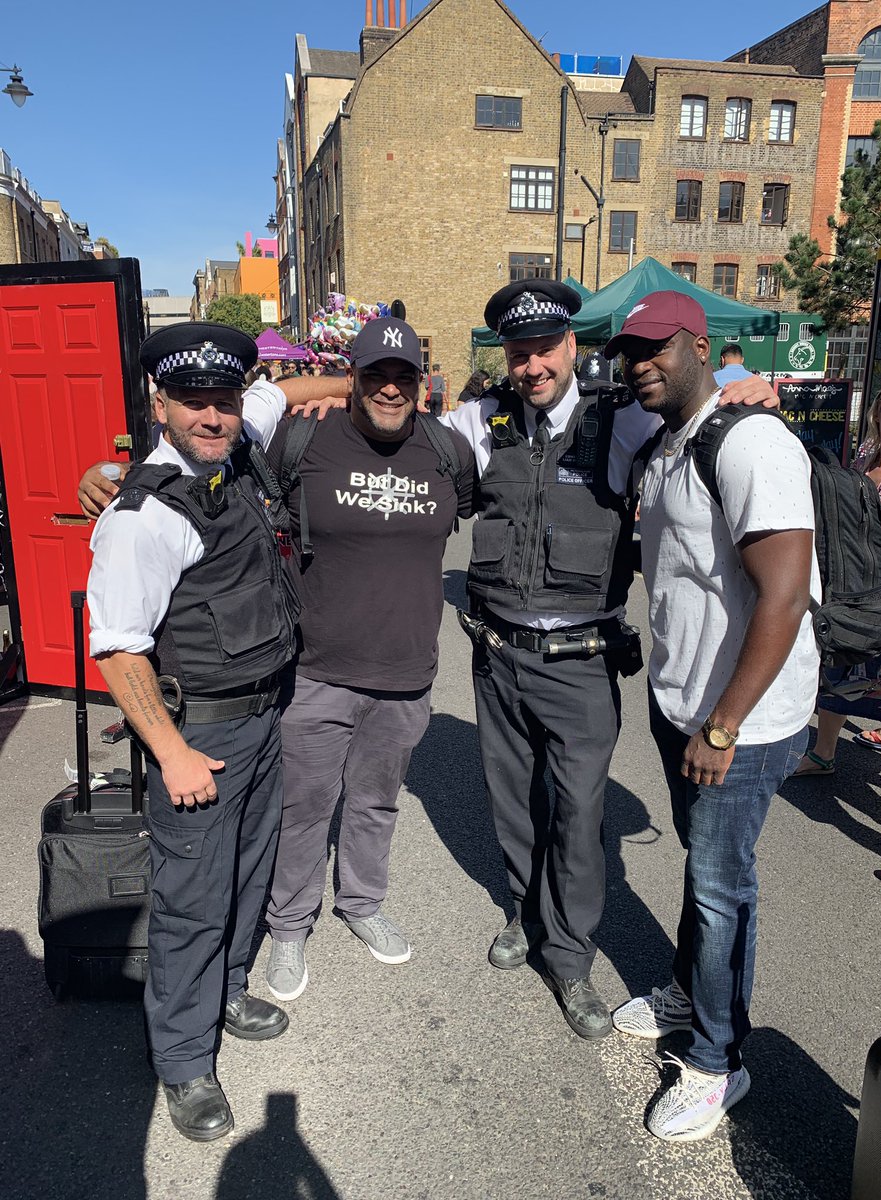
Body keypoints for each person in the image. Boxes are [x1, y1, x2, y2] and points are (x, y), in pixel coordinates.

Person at [442, 282, 780, 1041]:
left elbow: (699, 404)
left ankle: (569, 956)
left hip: (582, 661)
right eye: (518, 353)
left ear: (571, 346)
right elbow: (393, 430)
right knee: (514, 807)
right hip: (498, 656)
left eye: (544, 350)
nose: (531, 367)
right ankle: (524, 916)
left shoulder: (621, 419)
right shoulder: (480, 420)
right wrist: (332, 390)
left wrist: (745, 383)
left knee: (578, 814)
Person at [605, 291, 819, 1141]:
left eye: (658, 347)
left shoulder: (751, 440)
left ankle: (718, 1060)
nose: (641, 363)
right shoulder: (668, 444)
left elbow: (787, 593)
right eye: (632, 351)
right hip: (682, 704)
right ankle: (691, 992)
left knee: (722, 887)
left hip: (746, 720)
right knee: (707, 869)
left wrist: (724, 725)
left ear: (701, 345)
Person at [86, 323, 301, 1143]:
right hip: (199, 739)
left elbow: (289, 392)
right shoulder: (142, 513)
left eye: (224, 401)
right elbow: (117, 645)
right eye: (195, 403)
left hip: (262, 715)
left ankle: (230, 990)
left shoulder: (236, 449)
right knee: (190, 903)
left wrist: (356, 375)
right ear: (160, 403)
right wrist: (170, 752)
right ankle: (182, 1060)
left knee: (249, 876)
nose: (213, 418)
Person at [256, 318, 475, 999]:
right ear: (352, 378)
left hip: (405, 674)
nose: (388, 388)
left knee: (376, 803)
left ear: (419, 385)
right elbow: (203, 438)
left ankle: (361, 903)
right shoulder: (305, 438)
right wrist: (112, 471)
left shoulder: (445, 449)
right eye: (374, 374)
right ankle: (289, 924)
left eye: (402, 377)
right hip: (315, 669)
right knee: (304, 806)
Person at [794, 377, 881, 775]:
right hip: (858, 583)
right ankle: (823, 754)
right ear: (877, 413)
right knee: (839, 666)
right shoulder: (867, 455)